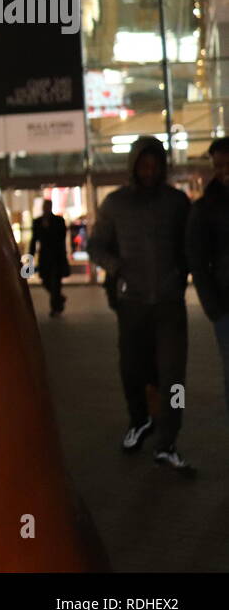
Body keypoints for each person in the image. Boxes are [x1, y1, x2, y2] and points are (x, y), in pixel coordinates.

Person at [88, 136, 195, 476]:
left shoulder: (177, 203)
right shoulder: (115, 204)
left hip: (169, 307)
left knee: (174, 379)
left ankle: (168, 441)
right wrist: (116, 267)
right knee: (131, 372)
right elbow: (95, 246)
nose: (149, 171)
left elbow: (190, 245)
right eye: (143, 164)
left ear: (162, 166)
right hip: (132, 305)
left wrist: (181, 275)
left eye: (155, 164)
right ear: (134, 165)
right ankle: (140, 420)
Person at [187, 137, 229, 423]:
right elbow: (197, 259)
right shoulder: (206, 207)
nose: (224, 171)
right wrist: (213, 306)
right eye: (219, 166)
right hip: (226, 302)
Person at [28, 201, 69, 316]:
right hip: (45, 257)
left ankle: (56, 308)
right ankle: (58, 299)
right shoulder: (37, 222)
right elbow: (34, 240)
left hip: (57, 257)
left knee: (55, 283)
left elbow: (61, 238)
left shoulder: (58, 221)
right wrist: (30, 255)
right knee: (45, 280)